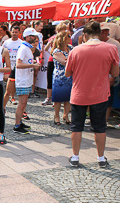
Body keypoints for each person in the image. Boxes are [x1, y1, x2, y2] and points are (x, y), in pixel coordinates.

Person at [65, 21, 120, 168]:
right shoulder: (111, 48)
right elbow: (115, 72)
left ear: (84, 35)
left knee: (76, 127)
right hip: (100, 93)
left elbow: (67, 73)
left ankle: (75, 157)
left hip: (79, 93)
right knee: (100, 127)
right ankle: (101, 158)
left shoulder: (75, 50)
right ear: (100, 33)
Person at [13, 28, 41, 134]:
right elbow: (18, 65)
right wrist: (32, 64)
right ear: (28, 37)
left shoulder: (28, 48)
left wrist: (32, 62)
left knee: (24, 103)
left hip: (26, 79)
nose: (35, 38)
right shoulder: (23, 48)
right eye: (33, 36)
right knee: (21, 103)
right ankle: (17, 125)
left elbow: (24, 62)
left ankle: (19, 122)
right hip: (23, 80)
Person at [51, 32, 72, 126]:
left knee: (68, 98)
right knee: (58, 98)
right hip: (60, 77)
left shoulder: (71, 48)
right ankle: (56, 116)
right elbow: (65, 62)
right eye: (68, 36)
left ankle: (66, 115)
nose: (70, 38)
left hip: (70, 76)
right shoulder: (56, 51)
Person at [3, 26, 23, 107]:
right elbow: (2, 52)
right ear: (10, 32)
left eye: (16, 32)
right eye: (13, 32)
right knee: (6, 78)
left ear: (19, 33)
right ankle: (7, 94)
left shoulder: (21, 43)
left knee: (13, 80)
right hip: (8, 64)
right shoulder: (6, 42)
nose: (14, 34)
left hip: (17, 65)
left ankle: (12, 97)